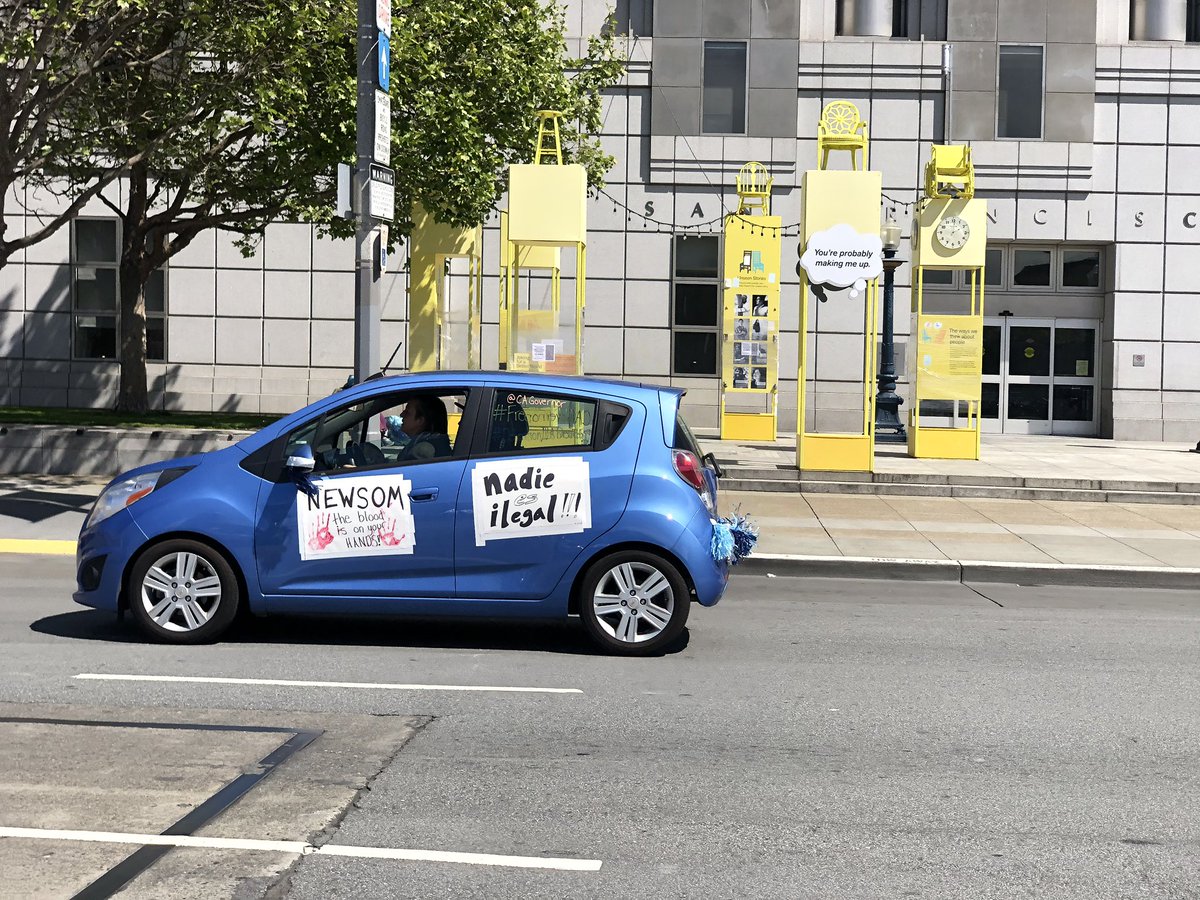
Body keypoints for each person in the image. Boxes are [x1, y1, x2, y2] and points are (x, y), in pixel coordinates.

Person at [395, 396, 452, 460]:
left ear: (420, 420)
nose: (401, 414)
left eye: (407, 412)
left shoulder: (424, 450)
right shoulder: (428, 444)